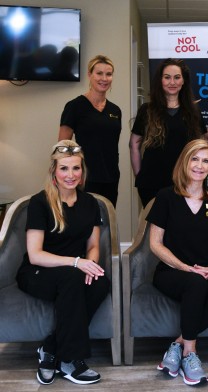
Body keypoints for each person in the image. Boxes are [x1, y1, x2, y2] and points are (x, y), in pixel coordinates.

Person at [16, 140, 110, 385]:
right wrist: (77, 263)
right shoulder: (40, 202)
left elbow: (93, 245)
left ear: (83, 170)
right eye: (64, 168)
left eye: (76, 168)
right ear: (53, 171)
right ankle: (70, 360)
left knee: (99, 283)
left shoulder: (90, 203)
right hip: (37, 272)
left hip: (73, 271)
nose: (71, 175)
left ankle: (50, 349)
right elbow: (35, 254)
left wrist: (90, 266)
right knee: (71, 278)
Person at [147, 139, 208, 386]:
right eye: (195, 159)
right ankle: (190, 354)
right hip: (171, 270)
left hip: (207, 268)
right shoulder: (166, 197)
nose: (200, 165)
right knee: (196, 284)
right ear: (185, 162)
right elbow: (156, 243)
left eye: (205, 160)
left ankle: (177, 344)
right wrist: (185, 268)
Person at [130, 58, 206, 207]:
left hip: (184, 181)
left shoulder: (193, 111)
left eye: (177, 77)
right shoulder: (147, 110)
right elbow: (134, 144)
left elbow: (200, 148)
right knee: (155, 228)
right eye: (167, 77)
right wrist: (139, 176)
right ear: (160, 80)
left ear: (183, 81)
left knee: (181, 227)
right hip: (151, 184)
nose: (172, 82)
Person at [59, 55, 122, 206]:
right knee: (83, 223)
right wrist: (72, 175)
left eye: (108, 74)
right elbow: (62, 147)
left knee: (106, 220)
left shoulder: (115, 110)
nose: (104, 78)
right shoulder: (74, 106)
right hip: (83, 178)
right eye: (99, 73)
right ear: (90, 75)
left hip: (111, 178)